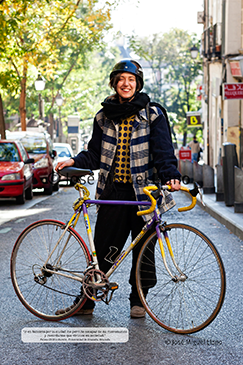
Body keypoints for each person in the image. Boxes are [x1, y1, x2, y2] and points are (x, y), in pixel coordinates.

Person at [55, 59, 181, 318]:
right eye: (121, 79)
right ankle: (86, 302)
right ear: (114, 83)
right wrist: (74, 161)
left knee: (143, 250)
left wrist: (170, 175)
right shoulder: (103, 116)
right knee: (103, 249)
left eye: (131, 79)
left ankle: (139, 299)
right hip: (113, 192)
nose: (126, 84)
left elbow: (163, 151)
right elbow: (94, 153)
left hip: (144, 194)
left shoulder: (153, 114)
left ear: (138, 83)